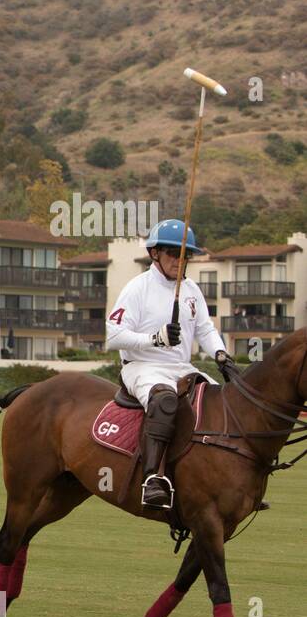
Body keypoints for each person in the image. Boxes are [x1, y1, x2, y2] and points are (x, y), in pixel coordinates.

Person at [106, 218, 231, 509]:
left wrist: (221, 355)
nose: (180, 260)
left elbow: (206, 330)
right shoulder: (138, 288)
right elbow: (114, 336)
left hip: (181, 367)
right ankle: (153, 479)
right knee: (164, 402)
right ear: (155, 254)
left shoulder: (191, 290)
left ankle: (225, 478)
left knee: (222, 402)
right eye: (173, 253)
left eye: (185, 254)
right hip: (142, 366)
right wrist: (155, 339)